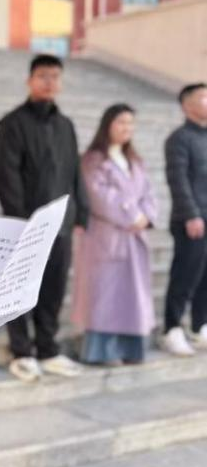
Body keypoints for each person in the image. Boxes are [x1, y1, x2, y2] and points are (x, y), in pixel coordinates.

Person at [0, 53, 88, 382]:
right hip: (27, 225)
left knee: (53, 290)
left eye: (55, 77)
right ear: (30, 81)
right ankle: (21, 352)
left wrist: (81, 212)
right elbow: (6, 175)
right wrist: (21, 221)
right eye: (43, 76)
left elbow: (75, 172)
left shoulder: (66, 125)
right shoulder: (13, 123)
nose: (49, 82)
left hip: (61, 224)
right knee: (20, 289)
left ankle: (48, 349)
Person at [71, 104, 157, 365]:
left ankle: (130, 350)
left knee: (132, 297)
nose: (126, 128)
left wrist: (146, 216)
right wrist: (132, 215)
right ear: (107, 124)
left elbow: (148, 193)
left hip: (134, 237)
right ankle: (102, 352)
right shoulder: (93, 159)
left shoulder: (135, 161)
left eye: (130, 123)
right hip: (105, 236)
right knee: (105, 297)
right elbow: (99, 195)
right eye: (121, 122)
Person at [162, 83, 207, 356]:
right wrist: (191, 214)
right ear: (187, 105)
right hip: (190, 220)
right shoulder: (179, 139)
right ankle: (172, 328)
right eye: (204, 97)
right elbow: (177, 180)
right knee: (185, 275)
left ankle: (200, 325)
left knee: (205, 277)